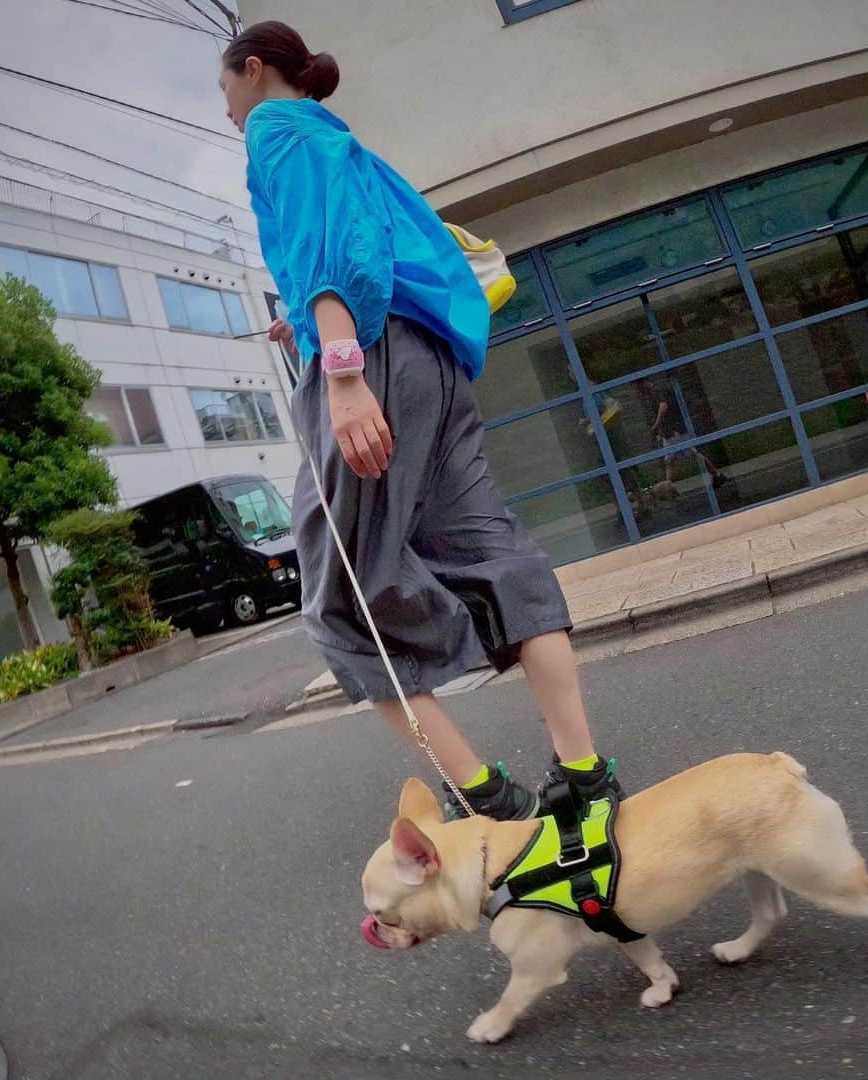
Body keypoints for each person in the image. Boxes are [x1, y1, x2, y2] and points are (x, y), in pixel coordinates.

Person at [219, 21, 623, 820]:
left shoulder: (275, 127)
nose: (226, 108)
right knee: (491, 552)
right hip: (430, 363)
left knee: (342, 601)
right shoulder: (339, 137)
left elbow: (329, 248)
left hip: (367, 361)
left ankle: (487, 797)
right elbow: (368, 247)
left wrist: (338, 370)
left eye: (224, 88)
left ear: (254, 70)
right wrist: (305, 322)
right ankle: (586, 774)